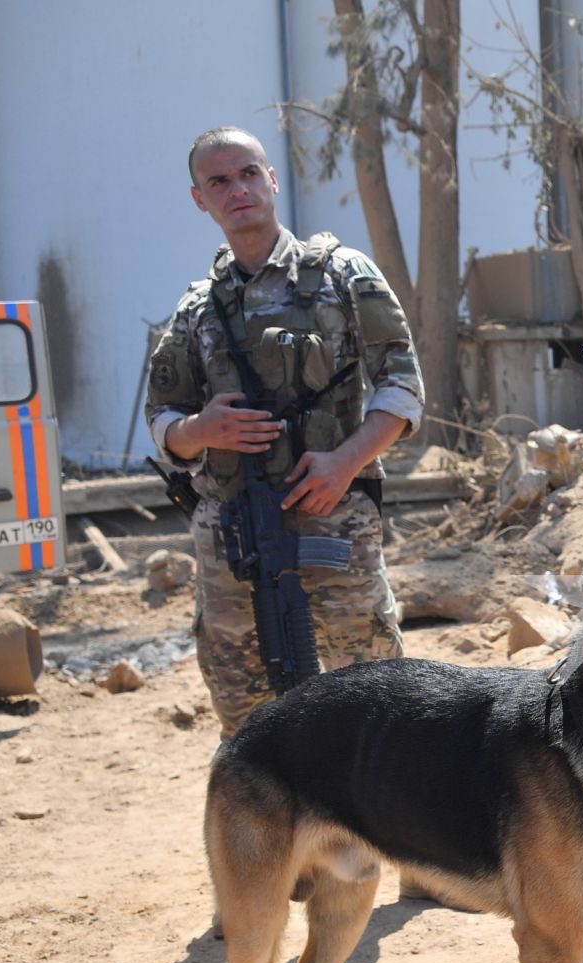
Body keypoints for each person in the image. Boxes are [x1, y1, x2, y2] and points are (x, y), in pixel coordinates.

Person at [144, 127, 444, 902]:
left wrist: (346, 462)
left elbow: (404, 389)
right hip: (232, 535)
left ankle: (418, 850)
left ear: (272, 180)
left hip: (331, 522)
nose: (238, 188)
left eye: (249, 173)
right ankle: (282, 862)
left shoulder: (343, 276)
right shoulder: (193, 311)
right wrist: (200, 431)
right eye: (220, 180)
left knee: (374, 686)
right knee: (245, 698)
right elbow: (161, 425)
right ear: (200, 199)